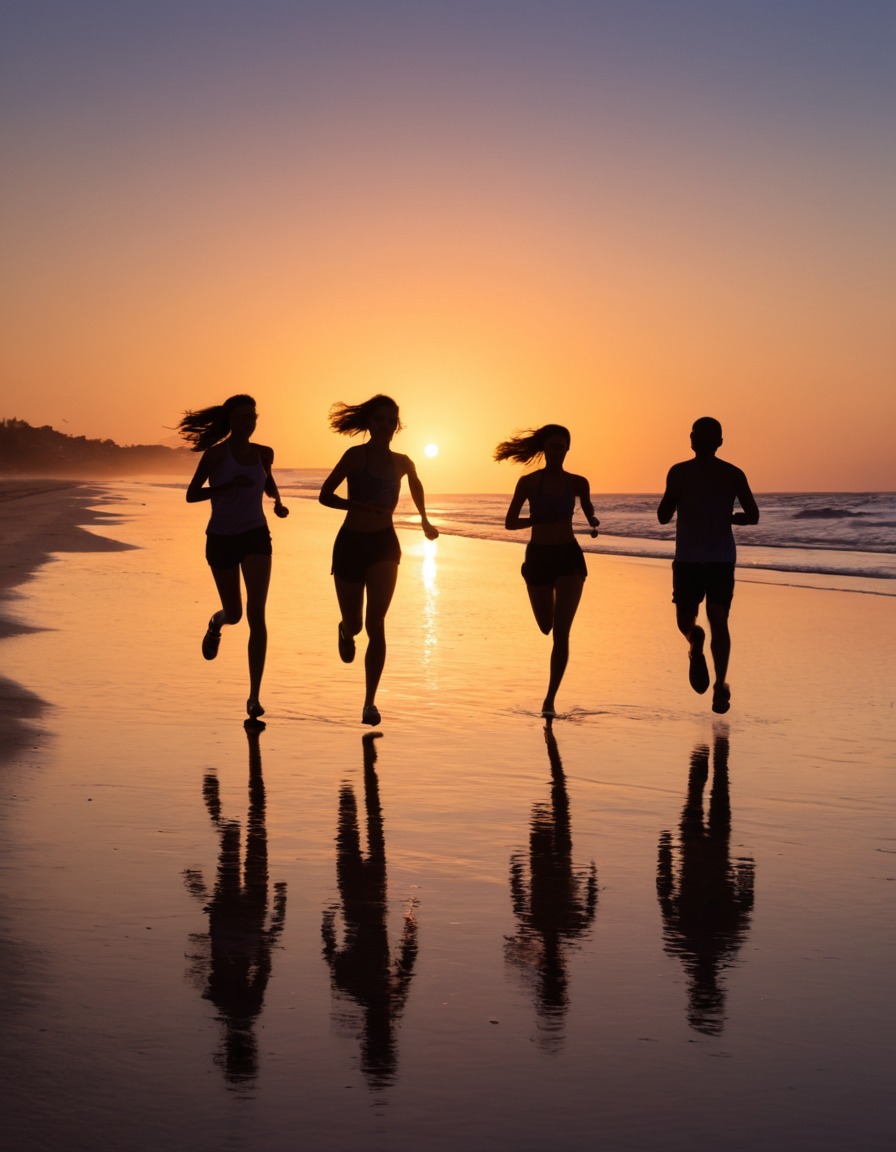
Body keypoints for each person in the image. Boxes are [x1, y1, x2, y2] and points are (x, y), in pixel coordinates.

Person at [319, 394, 439, 726]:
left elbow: (416, 487)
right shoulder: (355, 456)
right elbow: (324, 495)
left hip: (384, 545)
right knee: (357, 624)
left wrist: (426, 521)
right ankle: (345, 630)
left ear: (396, 425)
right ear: (369, 424)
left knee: (376, 625)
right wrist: (357, 506)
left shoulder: (403, 462)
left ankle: (370, 702)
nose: (385, 425)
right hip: (350, 544)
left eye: (391, 420)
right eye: (379, 419)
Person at [179, 393, 288, 721]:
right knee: (235, 613)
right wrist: (226, 488)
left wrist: (278, 502)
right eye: (242, 417)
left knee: (258, 613)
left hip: (255, 535)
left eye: (252, 416)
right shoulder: (215, 456)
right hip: (221, 538)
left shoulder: (263, 453)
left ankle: (254, 697)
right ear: (230, 421)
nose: (248, 422)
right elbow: (192, 495)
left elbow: (268, 482)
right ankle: (216, 624)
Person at [495, 424, 599, 718]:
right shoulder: (528, 483)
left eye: (562, 447)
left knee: (561, 634)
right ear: (545, 450)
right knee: (546, 626)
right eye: (552, 447)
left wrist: (594, 521)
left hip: (569, 557)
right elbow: (510, 523)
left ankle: (550, 699)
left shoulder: (578, 483)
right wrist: (536, 520)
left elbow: (589, 510)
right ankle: (543, 591)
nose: (557, 452)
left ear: (567, 450)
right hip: (539, 557)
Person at [657, 416, 759, 714]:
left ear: (692, 440)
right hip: (721, 559)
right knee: (719, 619)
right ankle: (720, 687)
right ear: (720, 443)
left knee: (685, 621)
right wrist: (729, 517)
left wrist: (678, 498)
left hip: (688, 558)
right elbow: (752, 515)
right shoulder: (733, 474)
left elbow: (663, 516)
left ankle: (693, 640)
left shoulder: (678, 473)